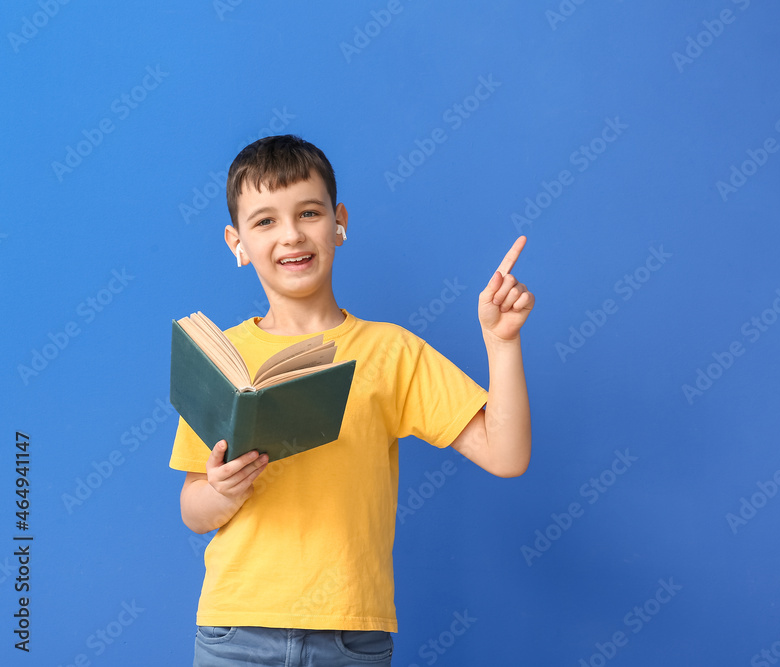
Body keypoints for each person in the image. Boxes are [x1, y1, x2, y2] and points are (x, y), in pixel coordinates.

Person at [168, 134, 533, 667]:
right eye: (265, 221)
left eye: (309, 213)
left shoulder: (391, 351)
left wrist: (502, 343)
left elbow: (507, 455)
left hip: (350, 637)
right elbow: (192, 509)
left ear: (339, 221)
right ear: (237, 243)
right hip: (236, 631)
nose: (291, 235)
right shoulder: (219, 357)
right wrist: (223, 491)